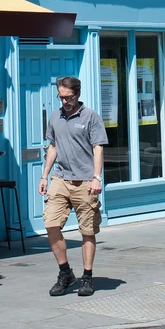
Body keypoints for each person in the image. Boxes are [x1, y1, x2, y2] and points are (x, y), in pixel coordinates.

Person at [39, 76, 107, 298]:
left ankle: (87, 277)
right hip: (60, 179)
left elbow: (98, 148)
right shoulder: (55, 116)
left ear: (77, 94)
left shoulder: (90, 117)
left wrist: (96, 177)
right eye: (61, 97)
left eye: (68, 97)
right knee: (50, 223)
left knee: (87, 231)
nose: (65, 101)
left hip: (86, 181)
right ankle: (65, 272)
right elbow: (53, 146)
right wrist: (44, 176)